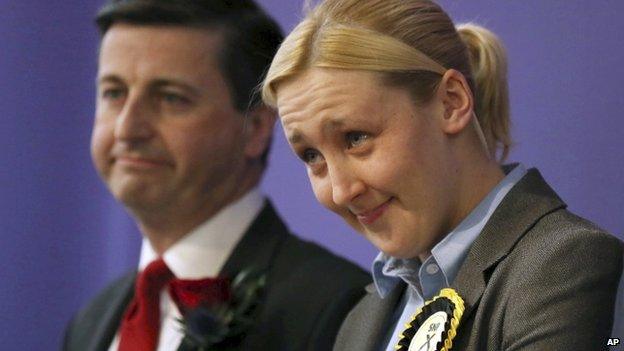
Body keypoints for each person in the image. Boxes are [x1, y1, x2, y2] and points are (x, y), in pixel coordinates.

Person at [261, 0, 624, 350]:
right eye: (311, 155)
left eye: (356, 138)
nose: (340, 192)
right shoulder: (360, 320)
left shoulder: (565, 266)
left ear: (451, 102)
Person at [63, 1, 370, 350]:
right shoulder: (91, 321)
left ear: (254, 128)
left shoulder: (337, 308)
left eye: (170, 98)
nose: (127, 128)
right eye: (114, 93)